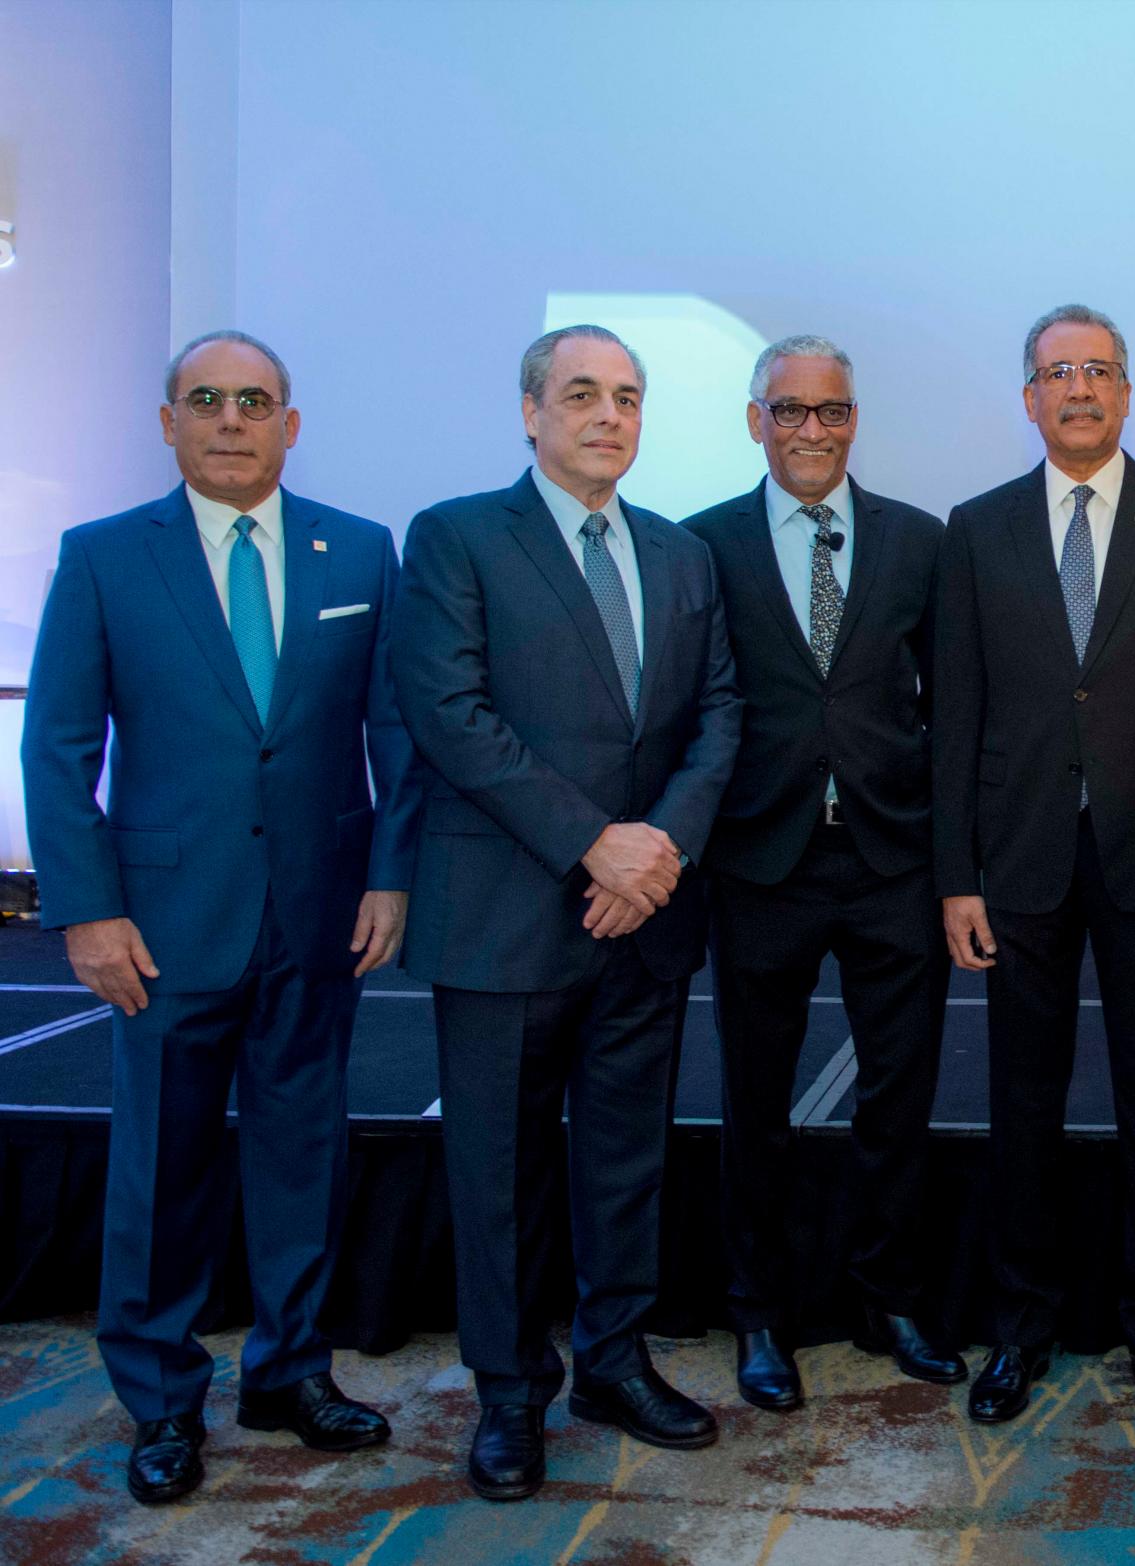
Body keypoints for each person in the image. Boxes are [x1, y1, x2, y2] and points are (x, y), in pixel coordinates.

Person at [21, 330, 419, 1503]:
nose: (232, 419)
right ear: (169, 422)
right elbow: (56, 749)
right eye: (208, 400)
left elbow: (389, 731)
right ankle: (160, 1400)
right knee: (160, 1171)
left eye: (255, 401)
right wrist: (87, 912)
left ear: (290, 425)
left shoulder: (358, 547)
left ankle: (290, 1371)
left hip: (320, 915)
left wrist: (389, 875)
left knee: (304, 1157)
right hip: (161, 925)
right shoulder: (103, 556)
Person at [390, 325, 742, 1501]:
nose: (608, 415)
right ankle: (506, 1393)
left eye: (628, 397)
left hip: (642, 917)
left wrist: (658, 852)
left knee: (623, 1155)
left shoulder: (680, 554)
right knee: (496, 1171)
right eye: (582, 394)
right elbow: (450, 712)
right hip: (505, 912)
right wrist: (594, 842)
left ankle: (613, 1360)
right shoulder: (453, 538)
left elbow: (720, 717)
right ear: (530, 412)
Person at [932, 303, 1135, 1430]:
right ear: (1028, 397)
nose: (1078, 388)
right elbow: (955, 713)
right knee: (1021, 1105)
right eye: (1056, 371)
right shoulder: (975, 529)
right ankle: (1019, 1329)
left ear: (1126, 393)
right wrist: (954, 876)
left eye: (1098, 371)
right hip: (1013, 867)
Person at [682, 334, 961, 1410]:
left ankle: (887, 1295)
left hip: (891, 857)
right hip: (761, 862)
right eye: (790, 411)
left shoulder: (918, 542)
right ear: (756, 420)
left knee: (898, 1097)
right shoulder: (699, 546)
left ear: (854, 421)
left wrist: (946, 856)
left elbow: (949, 706)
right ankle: (761, 1311)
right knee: (755, 1101)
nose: (811, 430)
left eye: (831, 411)